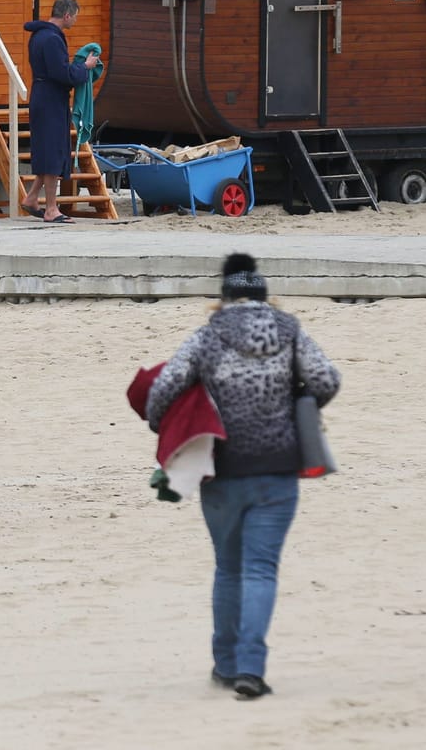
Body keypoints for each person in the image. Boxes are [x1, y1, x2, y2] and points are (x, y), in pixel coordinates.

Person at [144, 254, 340, 700]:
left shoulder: (207, 337)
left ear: (224, 294)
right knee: (260, 570)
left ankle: (225, 664)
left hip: (222, 471)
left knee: (228, 570)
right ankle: (251, 668)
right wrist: (297, 404)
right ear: (264, 293)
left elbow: (161, 394)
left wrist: (172, 428)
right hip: (278, 469)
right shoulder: (289, 331)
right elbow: (326, 380)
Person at [21, 0, 98, 224]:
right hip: (50, 100)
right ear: (66, 15)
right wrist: (84, 67)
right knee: (53, 152)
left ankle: (32, 198)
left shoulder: (39, 36)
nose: (74, 20)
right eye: (74, 16)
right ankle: (51, 209)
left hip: (43, 96)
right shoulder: (52, 39)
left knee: (48, 150)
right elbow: (61, 73)